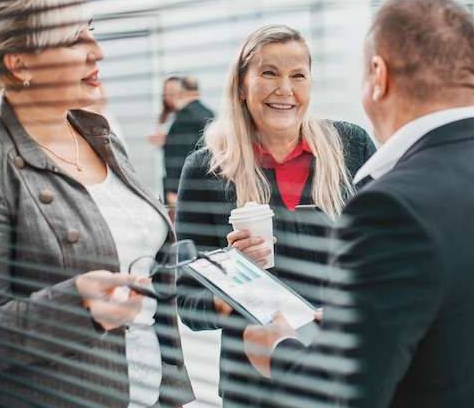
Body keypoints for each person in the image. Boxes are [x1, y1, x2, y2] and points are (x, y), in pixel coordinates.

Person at [243, 0, 474, 408]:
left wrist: (278, 350)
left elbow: (342, 393)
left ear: (378, 75)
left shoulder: (390, 206)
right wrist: (364, 320)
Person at [0, 0, 194, 407]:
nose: (97, 51)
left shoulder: (101, 138)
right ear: (20, 62)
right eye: (74, 39)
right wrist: (76, 306)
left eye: (91, 32)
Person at [175, 24, 376, 408]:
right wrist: (233, 278)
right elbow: (188, 304)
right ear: (241, 85)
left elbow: (387, 255)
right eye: (269, 73)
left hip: (342, 368)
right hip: (255, 382)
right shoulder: (207, 169)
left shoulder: (351, 146)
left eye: (297, 75)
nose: (285, 89)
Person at [163, 75, 214, 215]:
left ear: (180, 92)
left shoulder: (185, 115)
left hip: (187, 190)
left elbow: (180, 154)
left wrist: (173, 191)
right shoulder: (208, 113)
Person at [147, 76, 181, 196]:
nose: (169, 96)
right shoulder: (163, 116)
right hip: (165, 170)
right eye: (166, 93)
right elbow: (152, 137)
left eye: (172, 92)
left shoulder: (184, 116)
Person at [86, 82, 129, 152]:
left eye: (104, 94)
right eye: (100, 94)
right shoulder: (83, 118)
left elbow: (123, 146)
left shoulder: (109, 116)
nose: (103, 97)